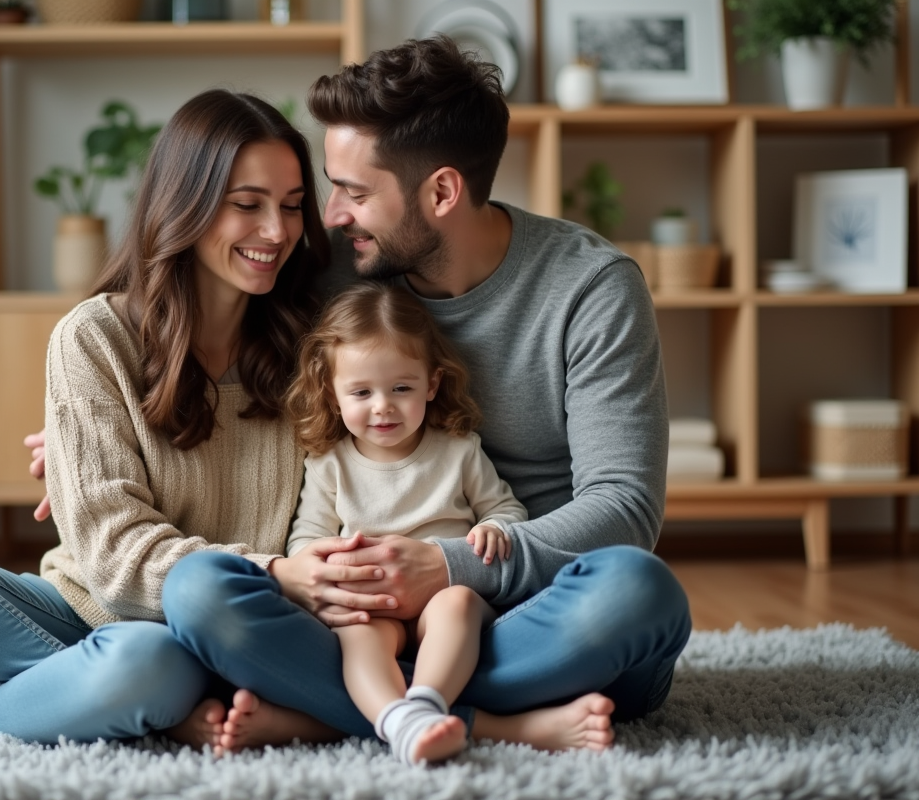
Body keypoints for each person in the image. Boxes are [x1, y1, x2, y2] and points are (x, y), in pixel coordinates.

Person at [156, 35, 693, 753]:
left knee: (639, 593)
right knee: (200, 593)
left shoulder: (589, 288)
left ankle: (343, 707)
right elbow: (210, 345)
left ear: (441, 192)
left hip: (536, 623)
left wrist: (446, 568)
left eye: (354, 191)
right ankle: (461, 715)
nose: (332, 214)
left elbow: (625, 508)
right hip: (362, 625)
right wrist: (95, 433)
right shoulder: (337, 282)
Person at [0, 89, 356, 751]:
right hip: (81, 609)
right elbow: (113, 560)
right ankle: (130, 696)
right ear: (183, 203)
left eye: (293, 206)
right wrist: (273, 570)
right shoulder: (96, 336)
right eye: (247, 205)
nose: (277, 232)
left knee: (148, 664)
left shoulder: (312, 345)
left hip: (220, 634)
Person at [285, 281, 558, 764]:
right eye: (361, 392)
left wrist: (496, 528)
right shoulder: (329, 462)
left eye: (402, 388)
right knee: (358, 633)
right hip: (372, 602)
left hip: (442, 597)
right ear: (332, 394)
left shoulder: (458, 450)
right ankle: (397, 719)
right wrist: (314, 567)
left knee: (459, 604)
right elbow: (307, 535)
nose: (382, 406)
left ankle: (428, 702)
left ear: (432, 384)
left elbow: (505, 508)